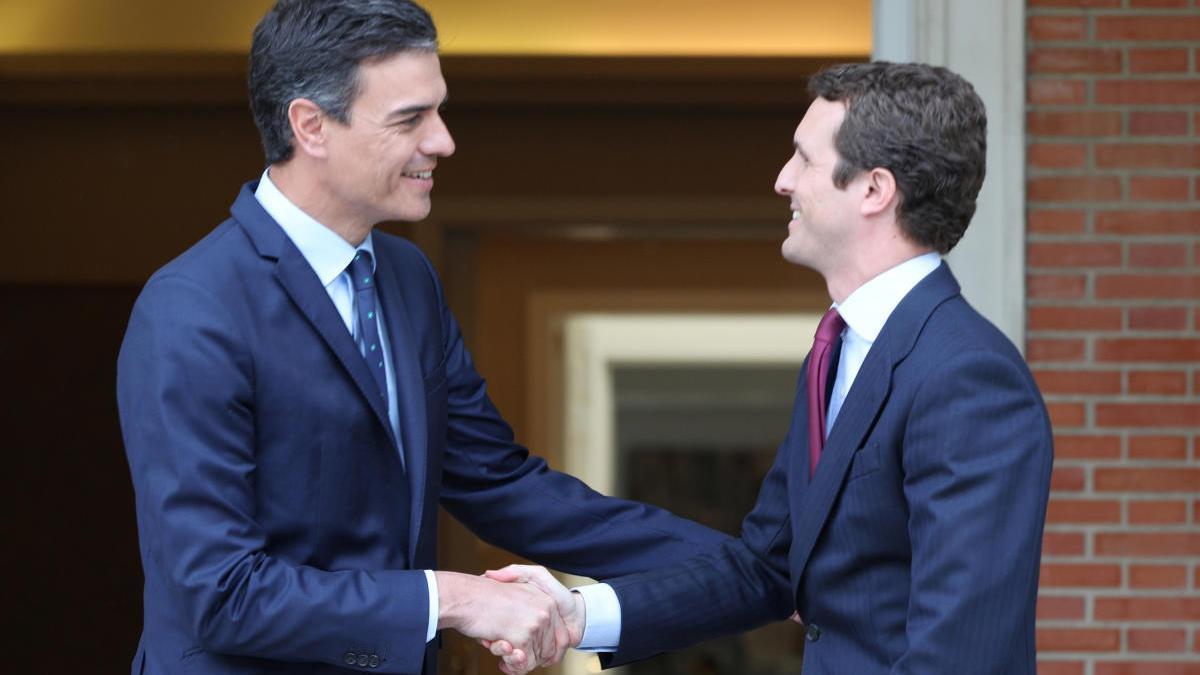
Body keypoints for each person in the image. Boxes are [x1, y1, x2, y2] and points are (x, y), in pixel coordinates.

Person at [115, 1, 731, 673]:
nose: (444, 140)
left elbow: (504, 487)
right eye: (410, 118)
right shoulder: (191, 307)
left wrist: (745, 572)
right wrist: (450, 599)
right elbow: (219, 592)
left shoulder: (408, 280)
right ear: (310, 126)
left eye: (438, 111)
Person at [490, 62, 1054, 675]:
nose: (782, 180)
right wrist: (579, 616)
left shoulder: (967, 377)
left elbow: (963, 657)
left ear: (874, 189)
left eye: (804, 160)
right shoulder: (836, 351)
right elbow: (767, 566)